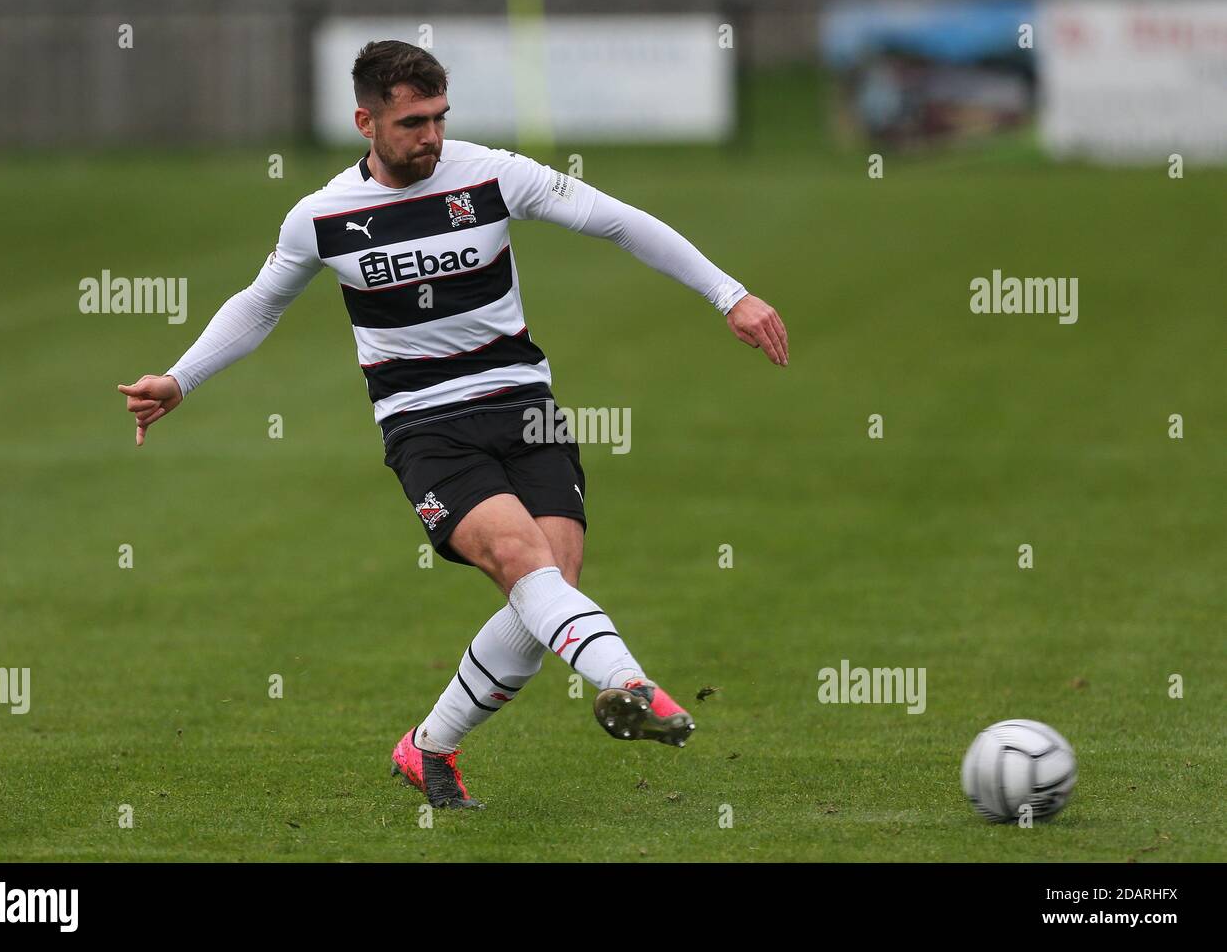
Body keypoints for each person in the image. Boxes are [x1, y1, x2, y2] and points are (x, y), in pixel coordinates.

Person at [118, 40, 789, 809]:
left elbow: (616, 221)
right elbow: (259, 303)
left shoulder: (494, 174)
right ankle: (628, 684)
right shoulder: (322, 217)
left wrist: (728, 294)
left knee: (550, 592)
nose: (430, 137)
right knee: (520, 561)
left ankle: (428, 745)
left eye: (439, 118)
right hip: (424, 424)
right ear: (366, 121)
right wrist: (180, 378)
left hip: (524, 408)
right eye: (411, 123)